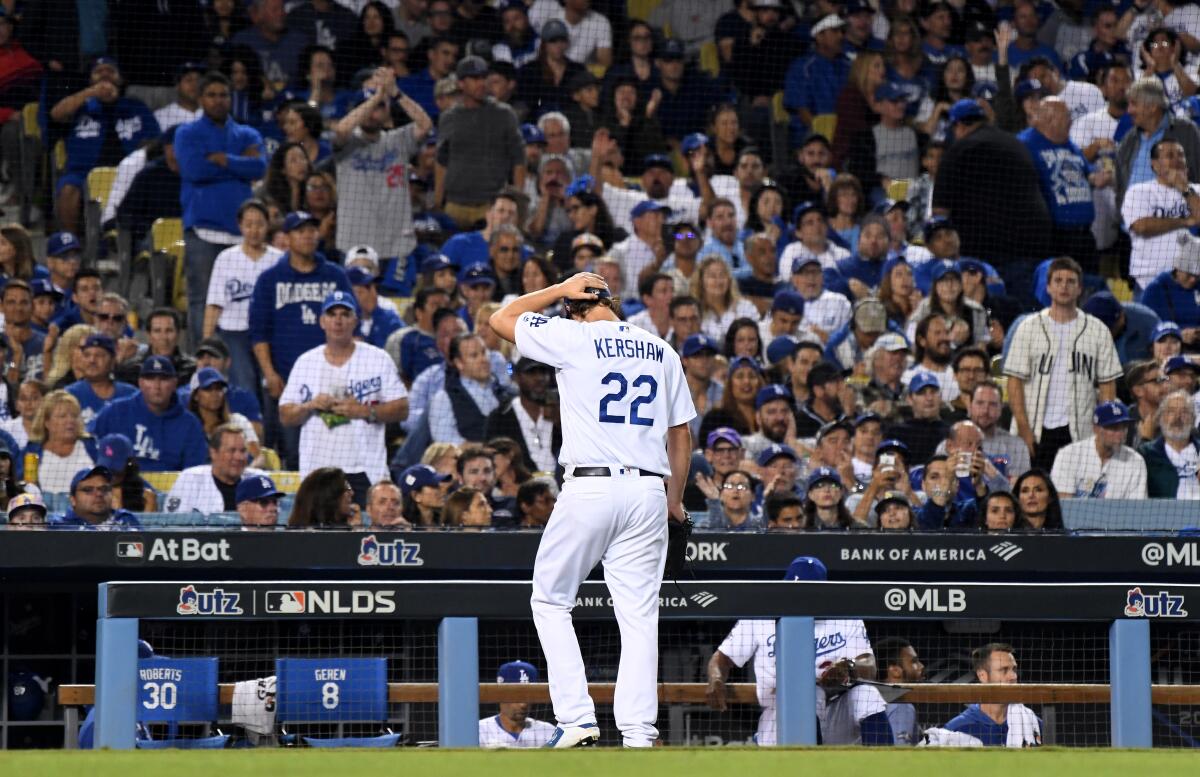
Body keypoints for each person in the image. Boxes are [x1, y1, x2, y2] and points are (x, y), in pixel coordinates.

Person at [489, 268, 693, 748]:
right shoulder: (661, 349)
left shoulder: (573, 336)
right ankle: (640, 733)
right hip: (648, 491)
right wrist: (676, 500)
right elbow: (680, 434)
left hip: (591, 486)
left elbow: (502, 317)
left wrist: (558, 288)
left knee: (551, 599)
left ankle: (579, 719)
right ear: (612, 302)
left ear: (572, 306)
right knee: (640, 616)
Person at [706, 556, 873, 746]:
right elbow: (721, 659)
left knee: (868, 695)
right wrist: (715, 678)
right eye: (792, 590)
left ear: (825, 592)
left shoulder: (845, 617)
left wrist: (850, 667)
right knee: (807, 695)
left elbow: (869, 664)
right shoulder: (759, 618)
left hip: (836, 712)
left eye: (805, 593)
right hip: (780, 712)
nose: (797, 598)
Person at [280, 291, 408, 506]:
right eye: (332, 314)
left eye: (345, 314)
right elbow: (285, 415)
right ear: (322, 321)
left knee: (368, 534)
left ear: (355, 320)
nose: (338, 320)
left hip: (366, 468)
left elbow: (402, 407)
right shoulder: (306, 362)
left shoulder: (377, 358)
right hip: (319, 471)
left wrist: (365, 411)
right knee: (318, 533)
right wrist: (310, 406)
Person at [249, 211, 354, 467]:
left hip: (331, 381)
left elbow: (352, 322)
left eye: (312, 230)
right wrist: (270, 374)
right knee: (292, 453)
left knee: (334, 450)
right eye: (300, 231)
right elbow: (259, 333)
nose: (308, 236)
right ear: (287, 237)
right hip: (287, 382)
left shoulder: (336, 275)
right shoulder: (270, 279)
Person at [175, 72, 267, 350]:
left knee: (244, 298)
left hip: (241, 236)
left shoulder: (247, 133)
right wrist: (239, 166)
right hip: (203, 231)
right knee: (202, 298)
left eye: (223, 95)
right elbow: (194, 169)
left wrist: (223, 159)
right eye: (211, 95)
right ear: (201, 99)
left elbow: (259, 167)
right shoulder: (186, 132)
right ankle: (199, 358)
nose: (218, 101)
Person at [1005, 257, 1123, 472]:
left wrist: (1104, 427)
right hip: (1035, 428)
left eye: (1071, 281)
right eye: (1058, 280)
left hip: (1080, 430)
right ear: (1048, 287)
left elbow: (1108, 385)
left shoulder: (1098, 330)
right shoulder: (1027, 328)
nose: (1064, 286)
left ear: (1080, 289)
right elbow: (1014, 382)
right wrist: (1023, 427)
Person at [931, 99, 1052, 300]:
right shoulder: (1016, 143)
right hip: (1034, 246)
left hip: (985, 256)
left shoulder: (958, 150)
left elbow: (940, 215)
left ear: (959, 126)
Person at [50, 57, 159, 236]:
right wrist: (90, 93)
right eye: (99, 71)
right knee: (68, 188)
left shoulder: (136, 107)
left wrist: (141, 152)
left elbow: (155, 139)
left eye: (110, 71)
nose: (105, 75)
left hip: (128, 173)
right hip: (83, 173)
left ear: (121, 79)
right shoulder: (80, 106)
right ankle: (71, 243)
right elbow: (56, 114)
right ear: (90, 80)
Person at [436, 55, 526, 231]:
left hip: (491, 205)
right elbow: (442, 160)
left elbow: (519, 159)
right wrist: (439, 201)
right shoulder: (449, 117)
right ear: (461, 83)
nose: (481, 83)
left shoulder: (504, 114)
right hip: (455, 205)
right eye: (475, 78)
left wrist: (517, 202)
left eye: (484, 77)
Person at [1122, 139, 1200, 291]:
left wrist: (1184, 188)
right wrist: (1184, 221)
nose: (1177, 160)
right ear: (1155, 165)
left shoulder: (1196, 191)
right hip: (1150, 282)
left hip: (1193, 281)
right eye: (1170, 156)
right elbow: (1142, 226)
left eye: (1181, 155)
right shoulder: (1139, 191)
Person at [939, 643, 1042, 747]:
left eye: (1014, 669)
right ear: (982, 676)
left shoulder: (1032, 723)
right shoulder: (957, 728)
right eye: (1004, 670)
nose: (1013, 676)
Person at [1050, 400, 1148, 498]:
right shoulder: (1069, 455)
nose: (1120, 434)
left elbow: (1135, 509)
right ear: (1096, 429)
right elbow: (1063, 505)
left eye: (1123, 428)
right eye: (1113, 428)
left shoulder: (1135, 461)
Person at [165, 425, 263, 515]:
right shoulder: (190, 479)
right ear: (213, 453)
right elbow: (171, 524)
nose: (238, 457)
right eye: (231, 450)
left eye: (243, 451)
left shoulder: (258, 480)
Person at [27, 390, 93, 494]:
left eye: (74, 416)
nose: (70, 420)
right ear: (47, 422)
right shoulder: (32, 451)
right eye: (62, 416)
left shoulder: (91, 447)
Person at [479, 661, 558, 747]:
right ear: (500, 694)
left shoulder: (548, 732)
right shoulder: (479, 731)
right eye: (517, 695)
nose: (523, 704)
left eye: (528, 696)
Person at [1139, 389, 1200, 498]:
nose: (1177, 417)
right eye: (1171, 411)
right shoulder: (1146, 455)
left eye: (1184, 412)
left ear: (1193, 419)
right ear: (1161, 418)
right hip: (1161, 513)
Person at [47, 466, 140, 530]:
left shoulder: (126, 519)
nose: (99, 494)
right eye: (88, 490)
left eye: (104, 489)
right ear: (73, 500)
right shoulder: (59, 526)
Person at [1142, 235, 1200, 335]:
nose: (1193, 280)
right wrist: (1179, 334)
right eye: (1189, 274)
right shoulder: (1156, 290)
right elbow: (1147, 329)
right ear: (1177, 269)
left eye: (1198, 275)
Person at [288, 466, 358, 528]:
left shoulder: (349, 527)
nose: (352, 493)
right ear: (329, 496)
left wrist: (356, 530)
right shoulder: (295, 536)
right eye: (347, 489)